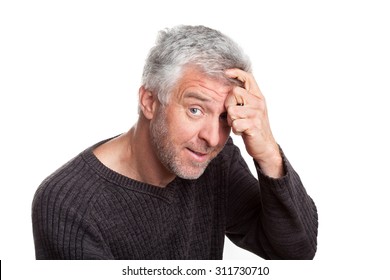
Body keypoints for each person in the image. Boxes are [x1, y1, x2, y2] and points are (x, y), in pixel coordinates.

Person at [32, 25, 318, 260]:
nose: (213, 137)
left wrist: (268, 152)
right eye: (195, 110)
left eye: (223, 117)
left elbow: (295, 253)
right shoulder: (69, 205)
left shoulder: (216, 161)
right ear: (149, 101)